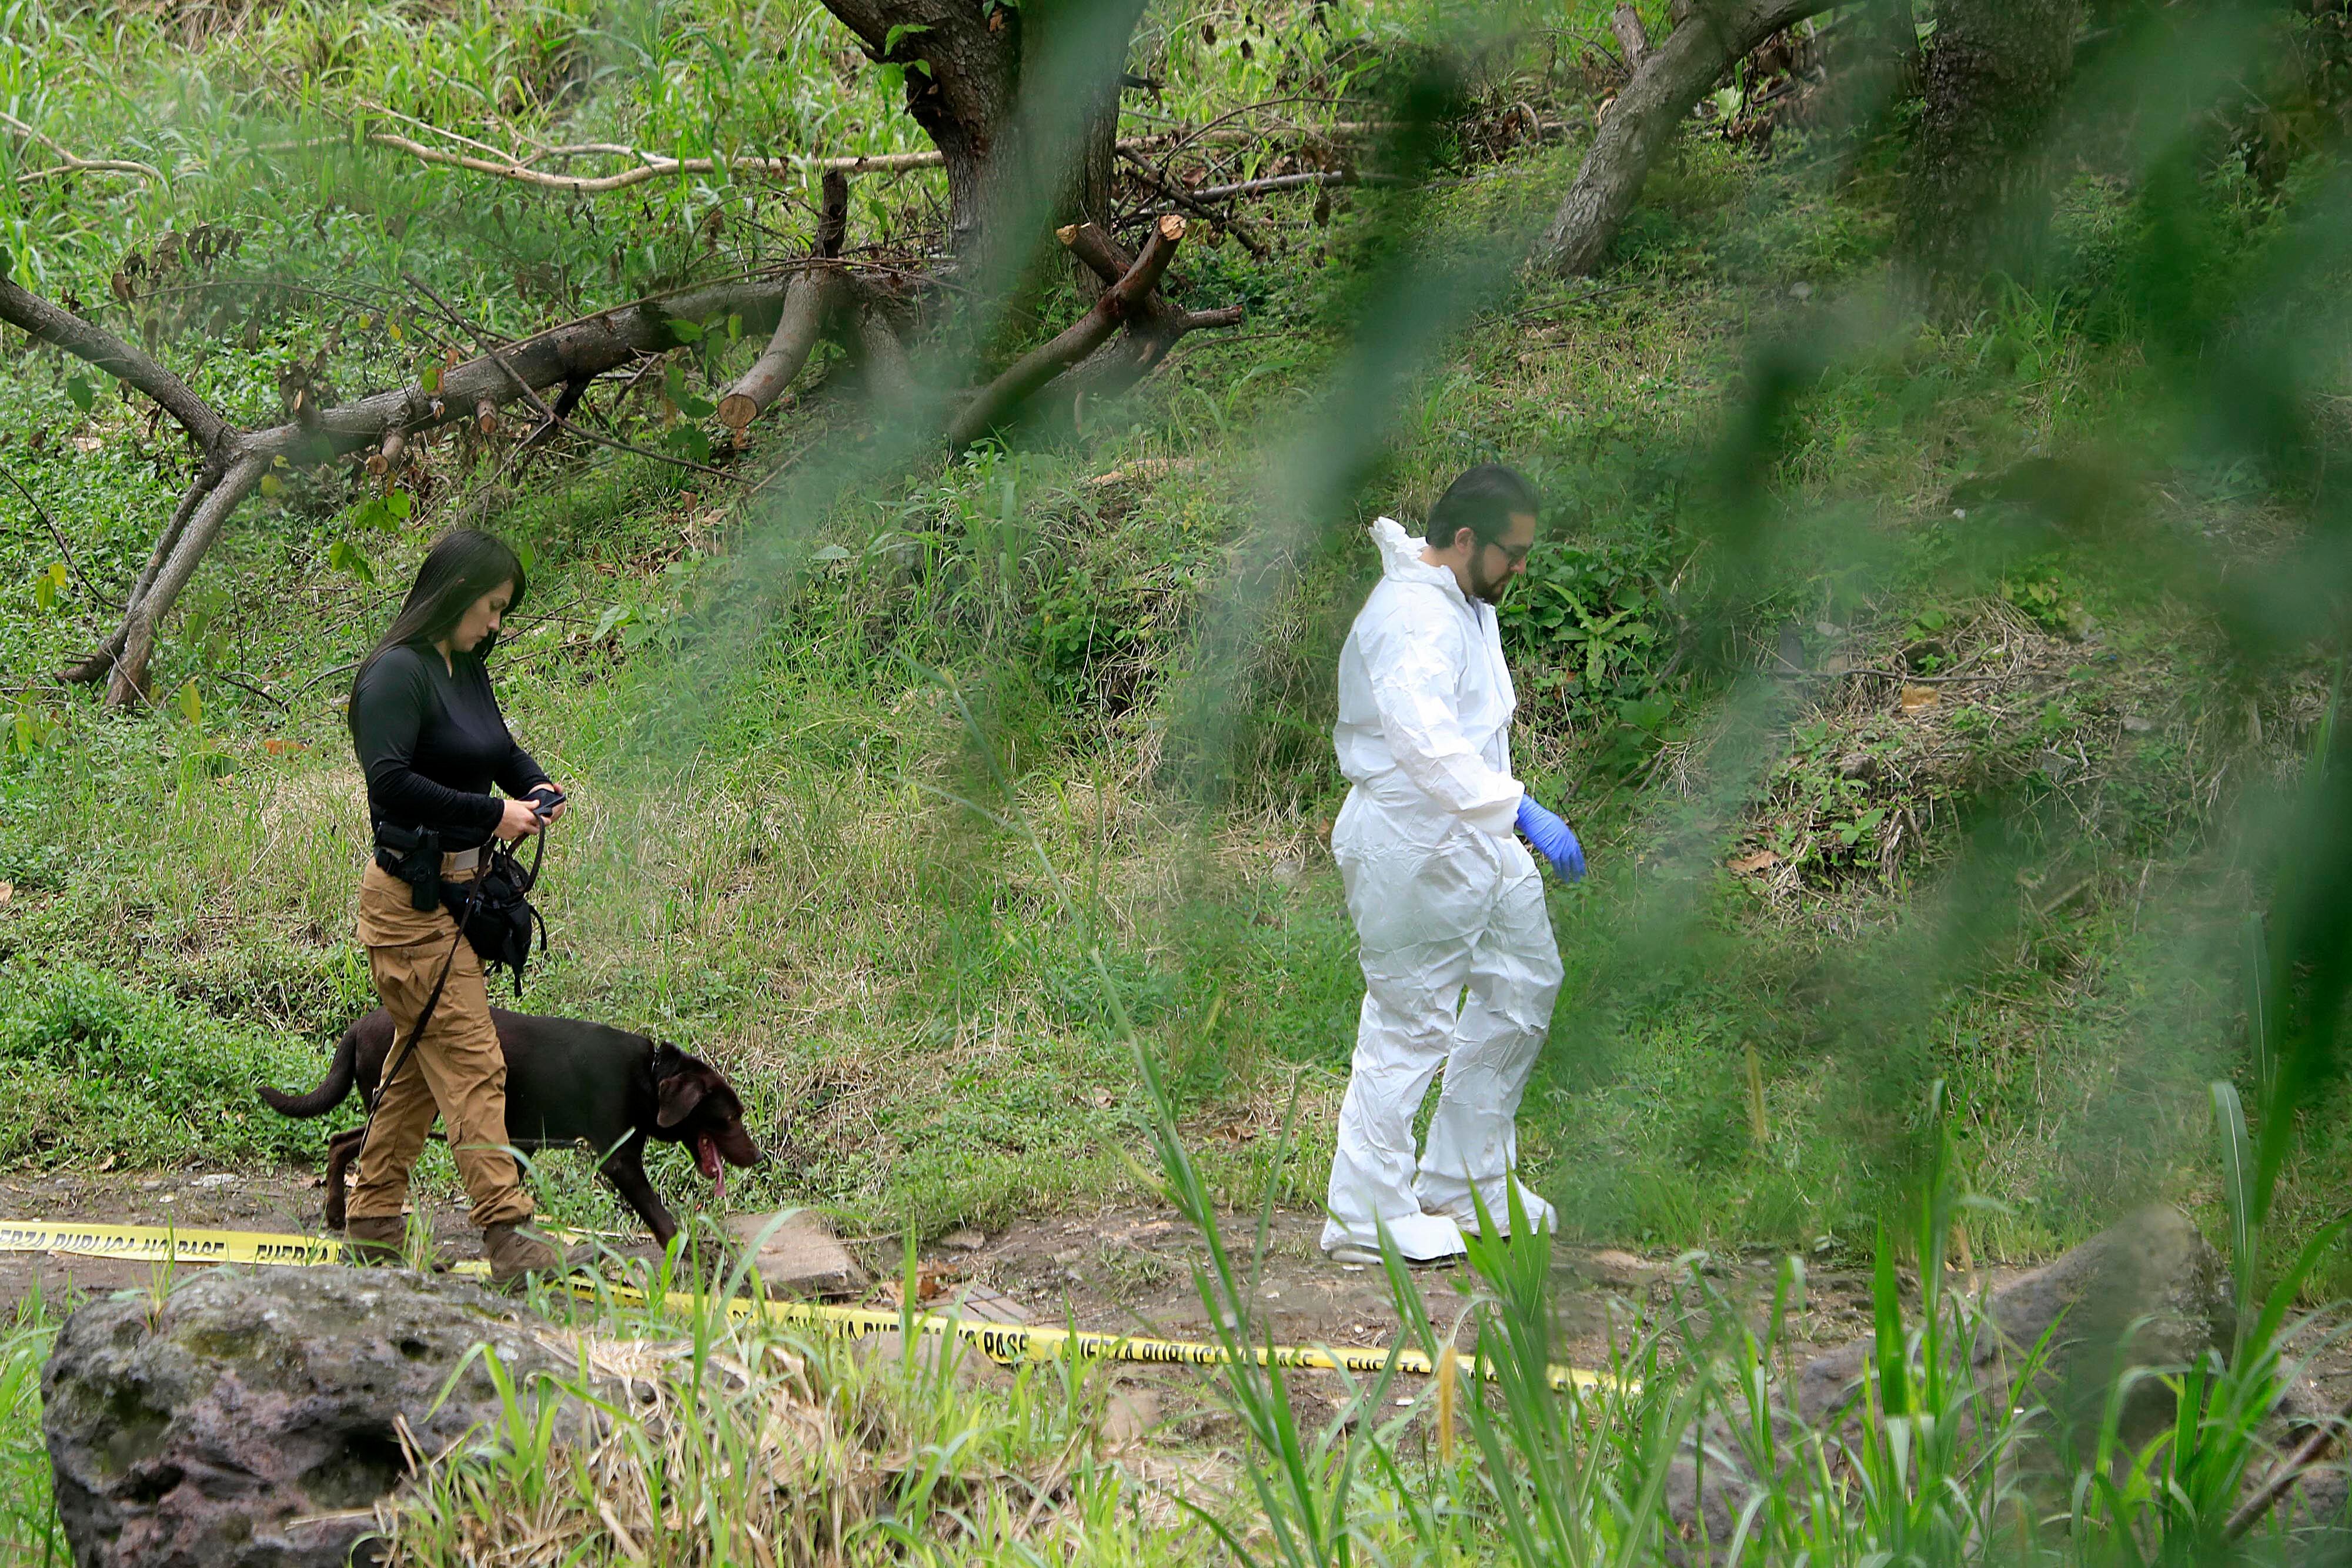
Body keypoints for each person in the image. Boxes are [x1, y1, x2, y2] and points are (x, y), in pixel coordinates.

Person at [1322, 464, 1585, 1267]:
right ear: (1465, 540)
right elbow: (1425, 742)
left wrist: (1503, 817)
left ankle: (1465, 1175)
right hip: (1413, 839)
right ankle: (1366, 1215)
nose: (1520, 569)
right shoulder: (1411, 615)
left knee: (1524, 981)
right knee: (1409, 1021)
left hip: (1474, 834)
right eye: (1512, 552)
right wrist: (1518, 808)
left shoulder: (1463, 603)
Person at [343, 529, 569, 1286]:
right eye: (493, 607)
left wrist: (535, 787)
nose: (497, 624)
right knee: (475, 1062)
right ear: (456, 591)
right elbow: (390, 784)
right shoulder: (393, 677)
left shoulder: (465, 667)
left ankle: (373, 1220)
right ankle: (510, 1238)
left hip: (461, 899)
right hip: (407, 906)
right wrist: (489, 815)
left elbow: (499, 750)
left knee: (416, 1064)